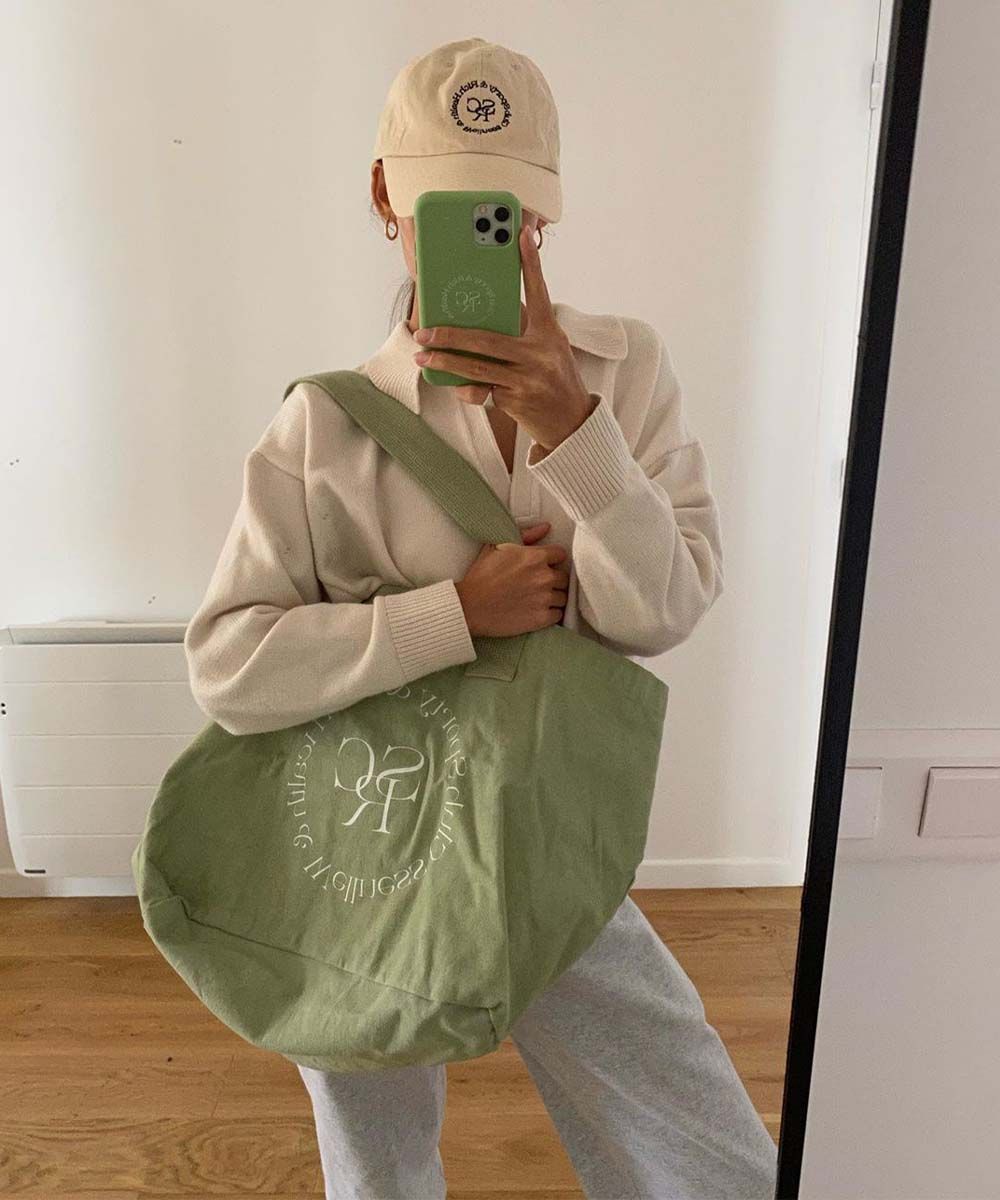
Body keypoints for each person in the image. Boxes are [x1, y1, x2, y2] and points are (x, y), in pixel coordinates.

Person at [183, 35, 778, 1200]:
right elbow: (228, 665)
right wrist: (453, 614)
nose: (492, 237)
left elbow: (661, 612)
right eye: (451, 208)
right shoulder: (323, 428)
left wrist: (576, 434)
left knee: (688, 1124)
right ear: (384, 197)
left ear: (544, 210)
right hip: (366, 841)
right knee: (375, 1141)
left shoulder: (624, 372)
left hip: (547, 829)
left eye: (508, 211)